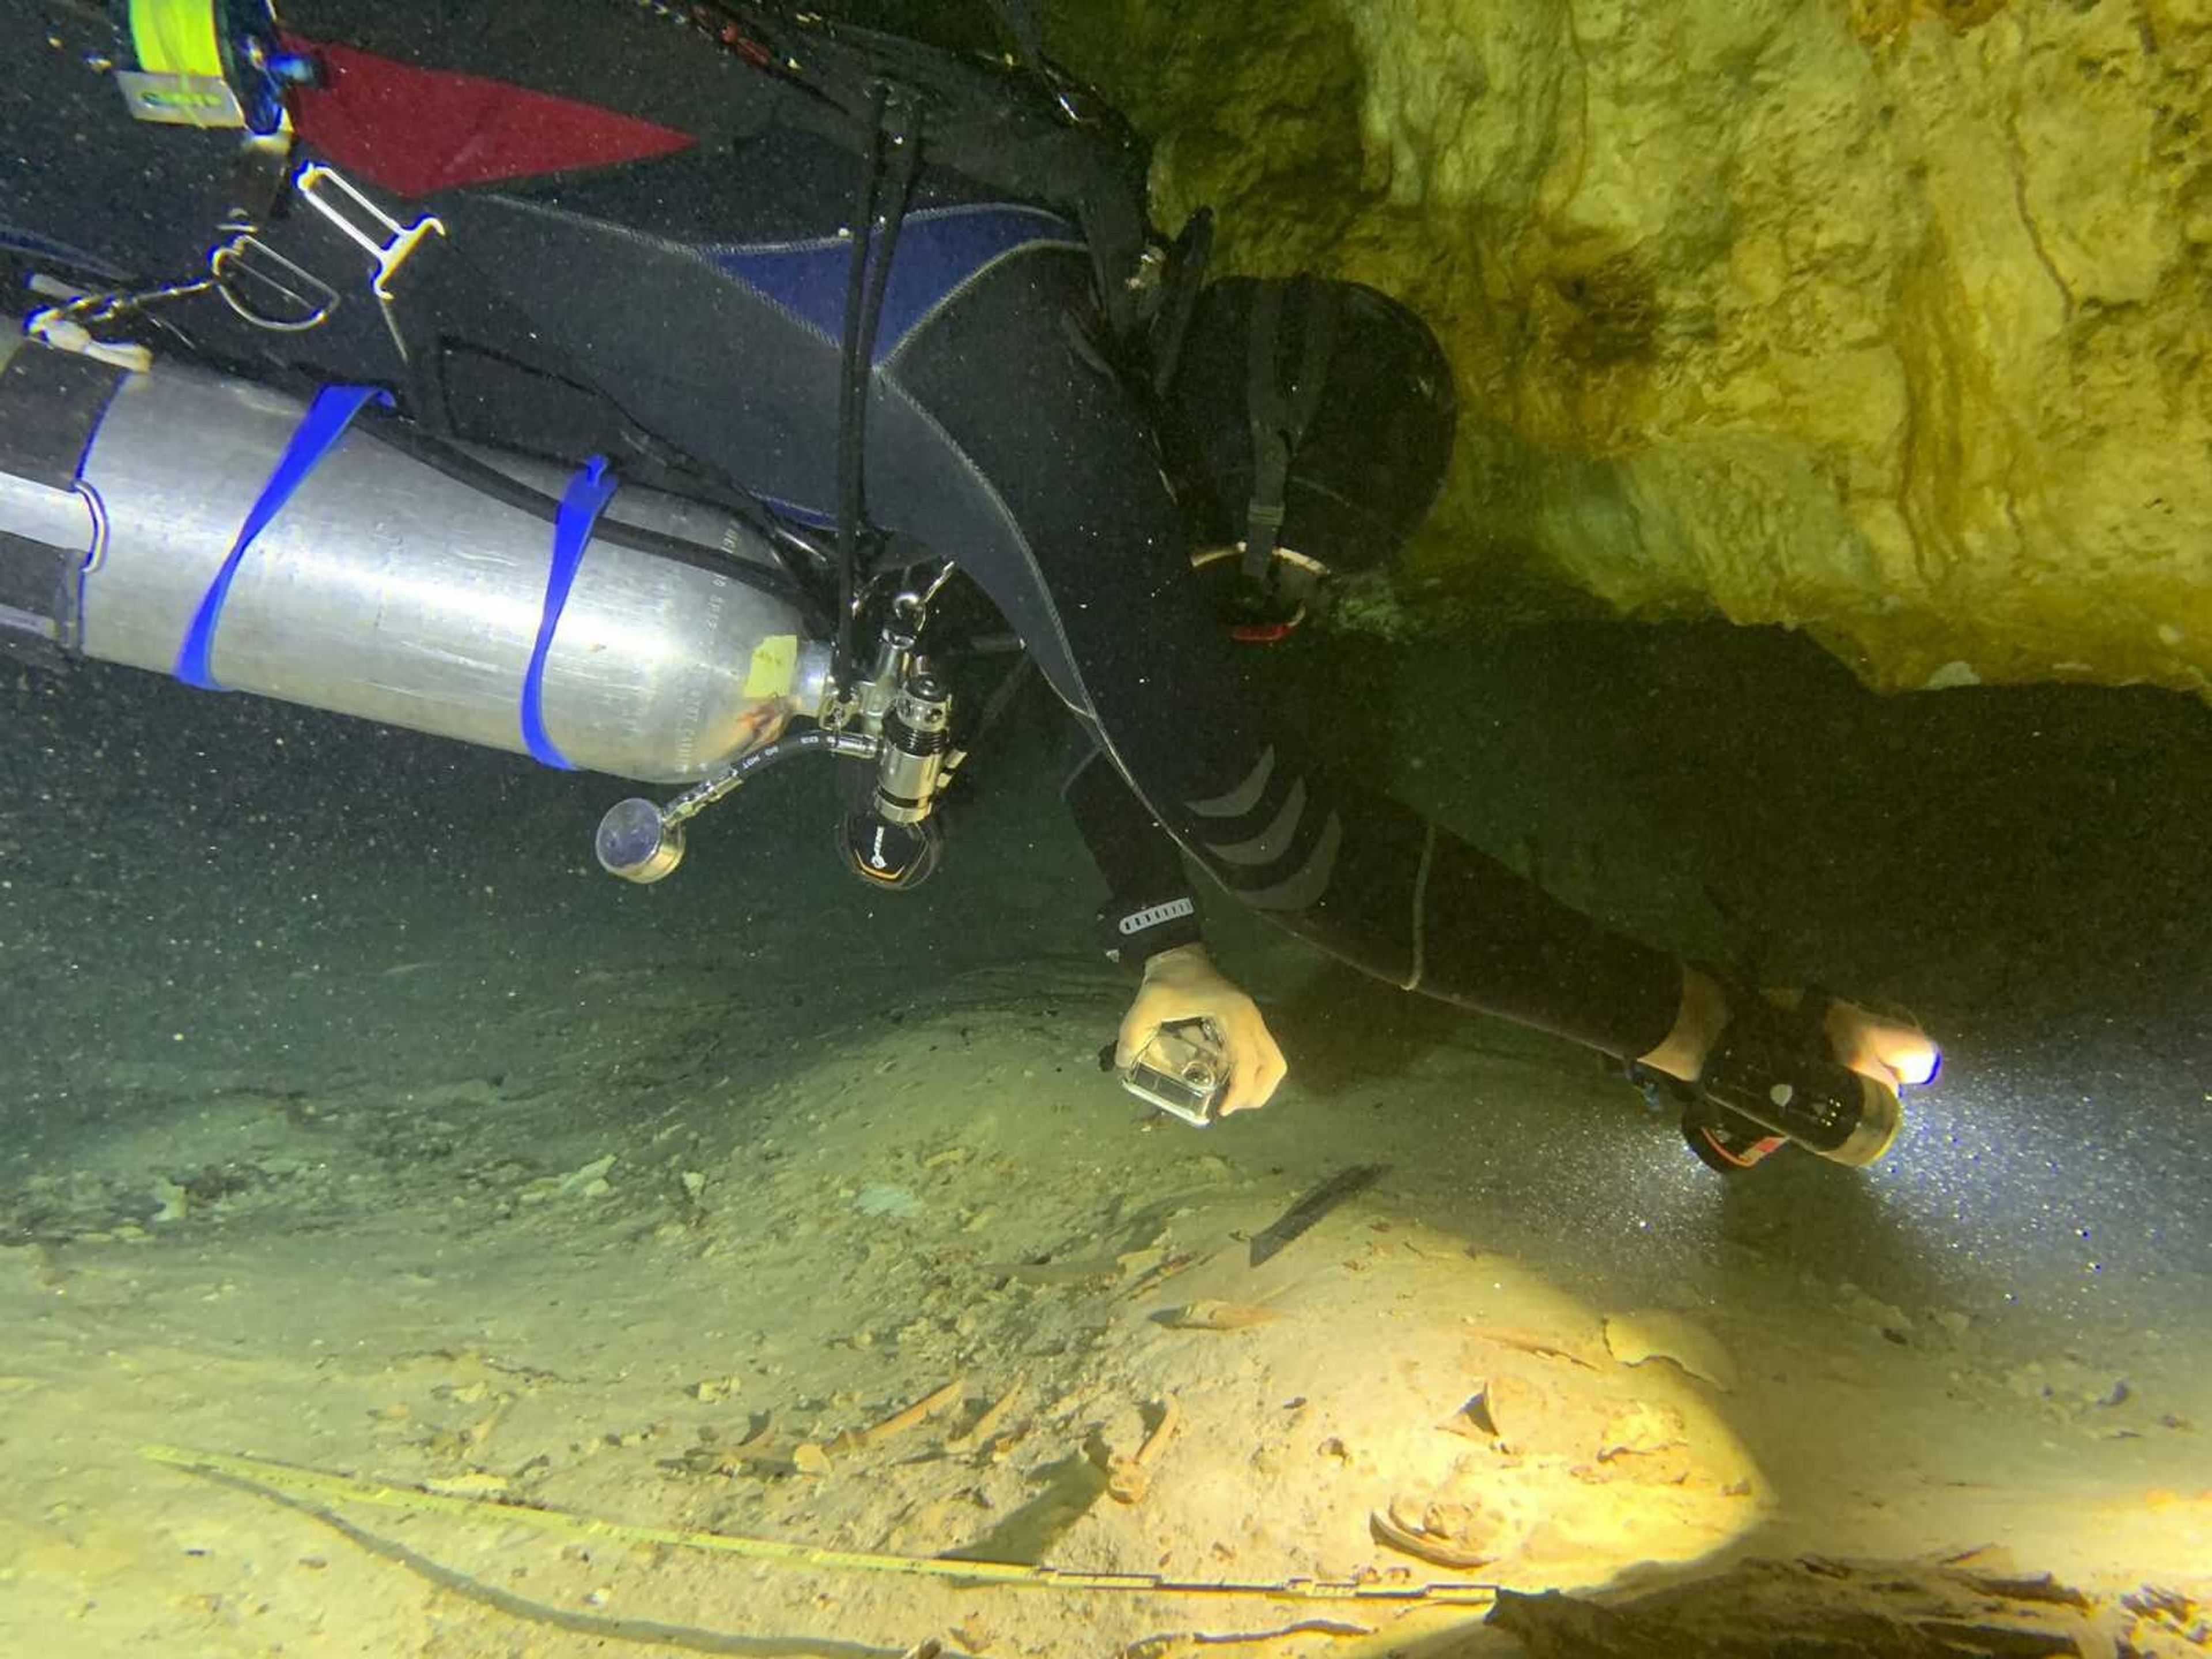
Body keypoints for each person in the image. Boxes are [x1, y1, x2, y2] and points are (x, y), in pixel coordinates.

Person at [3, 0, 1936, 1169]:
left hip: (147, 176)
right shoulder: (1000, 367)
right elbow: (1257, 815)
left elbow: (1079, 654)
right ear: (1233, 471)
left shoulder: (996, 276)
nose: (1209, 611)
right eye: (1242, 575)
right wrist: (1705, 1032)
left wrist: (1159, 943)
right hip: (113, 144)